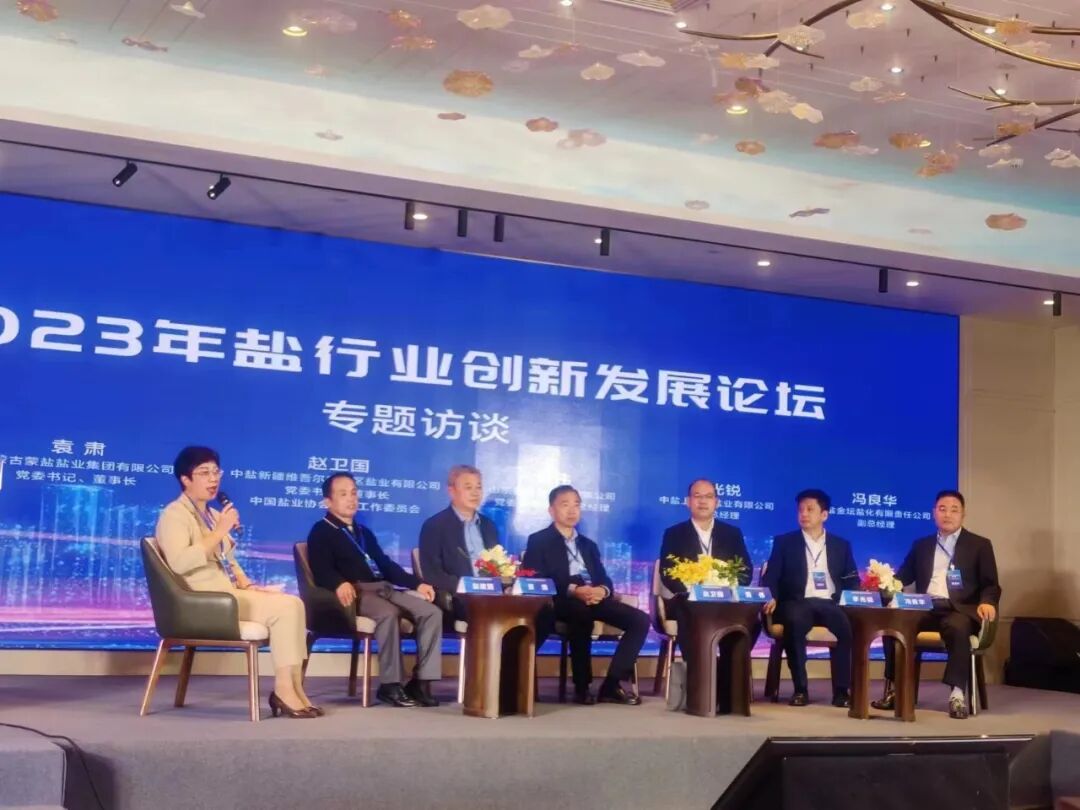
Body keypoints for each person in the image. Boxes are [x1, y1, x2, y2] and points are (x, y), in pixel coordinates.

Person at [155, 446, 319, 719]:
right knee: (285, 609)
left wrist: (248, 584)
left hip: (226, 594)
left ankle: (294, 687)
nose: (213, 479)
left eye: (215, 472)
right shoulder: (174, 515)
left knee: (293, 603)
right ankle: (283, 690)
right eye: (204, 473)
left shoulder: (212, 514)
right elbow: (180, 563)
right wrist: (221, 530)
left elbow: (228, 560)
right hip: (203, 601)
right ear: (185, 479)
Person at [307, 473, 444, 708]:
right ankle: (390, 685)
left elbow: (386, 565)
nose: (351, 499)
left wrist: (417, 584)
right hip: (357, 593)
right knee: (388, 614)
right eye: (343, 494)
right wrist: (338, 583)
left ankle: (421, 682)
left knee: (431, 612)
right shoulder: (321, 531)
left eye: (354, 493)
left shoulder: (363, 532)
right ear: (327, 501)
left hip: (383, 588)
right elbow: (321, 570)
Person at [872, 490, 1000, 719]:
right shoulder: (921, 545)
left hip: (959, 609)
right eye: (942, 509)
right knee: (893, 625)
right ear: (934, 513)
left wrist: (988, 602)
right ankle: (896, 689)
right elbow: (902, 578)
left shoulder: (979, 545)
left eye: (954, 510)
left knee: (958, 627)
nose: (947, 514)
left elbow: (991, 585)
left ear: (963, 514)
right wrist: (885, 587)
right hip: (925, 607)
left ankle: (957, 694)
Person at [524, 486, 649, 705]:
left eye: (576, 505)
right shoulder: (539, 540)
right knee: (581, 613)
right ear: (551, 510)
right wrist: (574, 590)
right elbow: (537, 579)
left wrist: (602, 591)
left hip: (593, 597)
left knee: (640, 620)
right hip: (561, 600)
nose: (572, 510)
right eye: (565, 504)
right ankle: (582, 686)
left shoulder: (588, 545)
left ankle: (612, 685)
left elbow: (604, 579)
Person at [762, 489, 859, 707]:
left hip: (829, 602)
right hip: (796, 602)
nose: (804, 514)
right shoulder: (784, 542)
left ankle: (842, 692)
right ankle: (800, 689)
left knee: (846, 626)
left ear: (824, 515)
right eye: (800, 510)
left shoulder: (841, 545)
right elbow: (771, 577)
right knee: (795, 623)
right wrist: (772, 596)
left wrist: (851, 600)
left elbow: (852, 579)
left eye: (809, 509)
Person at [418, 464, 499, 624]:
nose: (475, 493)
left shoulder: (489, 526)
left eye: (478, 487)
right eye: (468, 487)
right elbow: (433, 574)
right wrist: (467, 587)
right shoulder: (435, 526)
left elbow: (497, 566)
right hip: (459, 598)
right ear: (452, 491)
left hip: (492, 596)